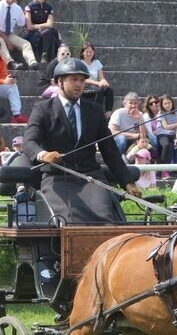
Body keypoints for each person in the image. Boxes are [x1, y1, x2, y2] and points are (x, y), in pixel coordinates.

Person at [22, 58, 140, 224]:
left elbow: (110, 151)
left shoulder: (94, 110)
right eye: (73, 79)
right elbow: (29, 142)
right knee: (69, 222)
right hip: (57, 178)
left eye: (82, 80)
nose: (79, 84)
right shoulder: (43, 109)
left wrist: (127, 181)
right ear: (59, 82)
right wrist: (43, 155)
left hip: (91, 178)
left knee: (105, 220)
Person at [0, 0, 40, 70]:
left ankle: (32, 63)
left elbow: (22, 23)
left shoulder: (17, 8)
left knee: (25, 43)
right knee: (0, 41)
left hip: (9, 34)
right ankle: (11, 63)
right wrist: (8, 41)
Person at [23, 0, 60, 65]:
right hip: (32, 35)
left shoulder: (49, 7)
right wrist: (41, 27)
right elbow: (29, 26)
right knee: (50, 32)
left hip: (45, 34)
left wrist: (36, 26)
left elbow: (50, 24)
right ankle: (46, 55)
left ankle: (47, 56)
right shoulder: (29, 7)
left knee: (51, 32)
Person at [80, 42, 114, 117]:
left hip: (96, 85)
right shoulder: (80, 63)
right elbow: (84, 79)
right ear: (82, 53)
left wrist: (104, 82)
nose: (89, 54)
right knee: (99, 90)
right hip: (85, 86)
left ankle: (108, 112)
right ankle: (98, 112)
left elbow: (101, 77)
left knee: (109, 90)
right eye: (87, 52)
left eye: (91, 51)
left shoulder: (97, 62)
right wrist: (98, 83)